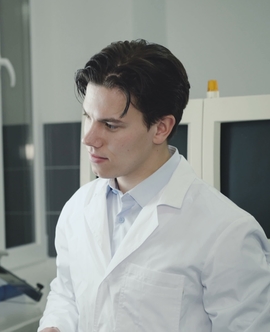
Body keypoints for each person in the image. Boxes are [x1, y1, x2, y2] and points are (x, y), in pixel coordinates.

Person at [38, 39, 270, 332]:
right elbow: (67, 293)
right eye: (88, 117)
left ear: (161, 128)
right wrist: (55, 325)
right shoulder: (77, 209)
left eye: (110, 125)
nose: (89, 138)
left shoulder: (227, 232)